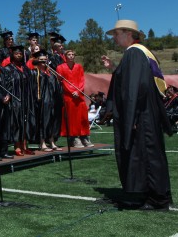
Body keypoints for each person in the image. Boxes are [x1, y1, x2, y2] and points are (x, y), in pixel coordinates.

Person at [102, 20, 173, 210]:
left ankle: (157, 200)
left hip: (141, 114)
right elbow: (131, 80)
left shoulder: (134, 53)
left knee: (147, 155)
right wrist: (115, 68)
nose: (114, 38)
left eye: (116, 34)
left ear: (128, 33)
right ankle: (151, 196)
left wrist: (130, 117)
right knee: (149, 153)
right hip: (146, 112)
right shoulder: (140, 52)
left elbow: (134, 88)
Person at [3, 45, 36, 156]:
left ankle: (25, 146)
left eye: (21, 54)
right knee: (17, 123)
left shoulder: (25, 68)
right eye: (16, 53)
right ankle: (17, 146)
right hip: (15, 100)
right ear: (12, 55)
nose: (19, 55)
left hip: (26, 99)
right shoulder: (8, 69)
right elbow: (7, 85)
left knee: (26, 122)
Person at [57, 50, 92, 148]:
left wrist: (78, 91)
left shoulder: (79, 66)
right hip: (69, 95)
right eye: (69, 54)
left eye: (73, 54)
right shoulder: (60, 67)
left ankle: (84, 136)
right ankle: (74, 138)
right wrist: (72, 91)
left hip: (79, 95)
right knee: (72, 117)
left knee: (83, 116)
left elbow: (82, 80)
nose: (71, 56)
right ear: (65, 56)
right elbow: (62, 81)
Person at [29, 50, 61, 151]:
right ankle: (42, 143)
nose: (44, 62)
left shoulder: (51, 72)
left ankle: (51, 141)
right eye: (41, 60)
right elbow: (33, 89)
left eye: (45, 60)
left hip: (51, 101)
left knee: (51, 121)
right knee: (43, 121)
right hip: (41, 102)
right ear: (37, 61)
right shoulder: (34, 73)